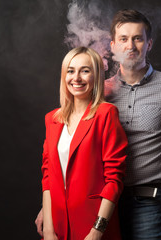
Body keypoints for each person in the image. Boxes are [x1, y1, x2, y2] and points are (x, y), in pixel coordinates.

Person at [36, 9, 161, 240]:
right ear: (113, 45)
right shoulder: (98, 91)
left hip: (145, 201)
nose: (131, 46)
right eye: (123, 39)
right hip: (96, 203)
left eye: (138, 38)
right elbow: (64, 150)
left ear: (149, 43)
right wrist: (51, 208)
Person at [40, 46, 127, 240]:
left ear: (96, 77)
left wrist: (97, 230)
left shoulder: (106, 114)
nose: (76, 78)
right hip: (57, 228)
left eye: (85, 71)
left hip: (93, 227)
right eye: (71, 71)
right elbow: (47, 178)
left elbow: (114, 180)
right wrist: (48, 230)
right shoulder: (52, 119)